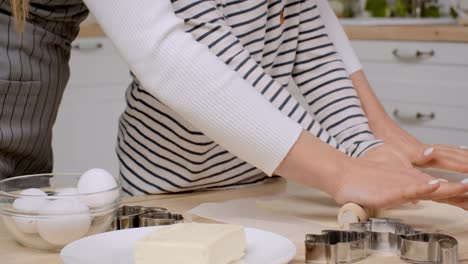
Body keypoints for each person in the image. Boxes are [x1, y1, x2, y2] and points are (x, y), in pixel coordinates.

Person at [1, 0, 467, 210]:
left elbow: (315, 49)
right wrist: (345, 165)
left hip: (252, 174)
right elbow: (222, 69)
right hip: (166, 185)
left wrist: (365, 144)